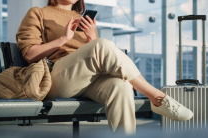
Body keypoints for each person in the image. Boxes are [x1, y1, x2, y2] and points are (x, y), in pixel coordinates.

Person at [16, 0, 193, 135]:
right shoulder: (38, 13)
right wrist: (63, 39)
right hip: (56, 79)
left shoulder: (82, 19)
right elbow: (30, 54)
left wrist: (91, 37)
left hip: (86, 80)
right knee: (102, 45)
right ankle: (157, 97)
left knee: (121, 86)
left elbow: (98, 56)